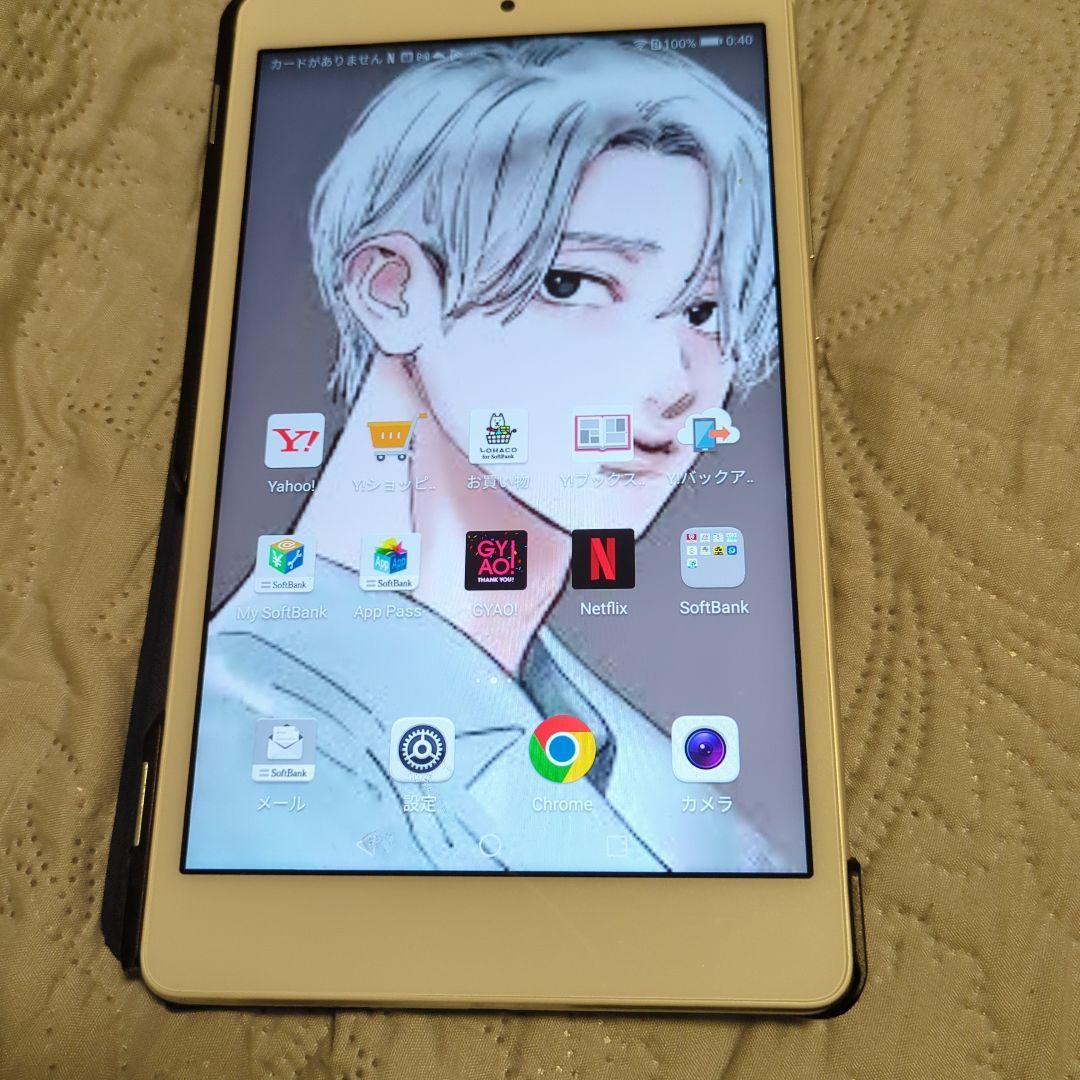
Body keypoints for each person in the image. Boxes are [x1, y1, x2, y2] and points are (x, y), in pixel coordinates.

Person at [188, 38, 786, 872]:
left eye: (704, 311)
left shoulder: (670, 797)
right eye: (571, 284)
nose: (678, 383)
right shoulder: (235, 741)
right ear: (392, 291)